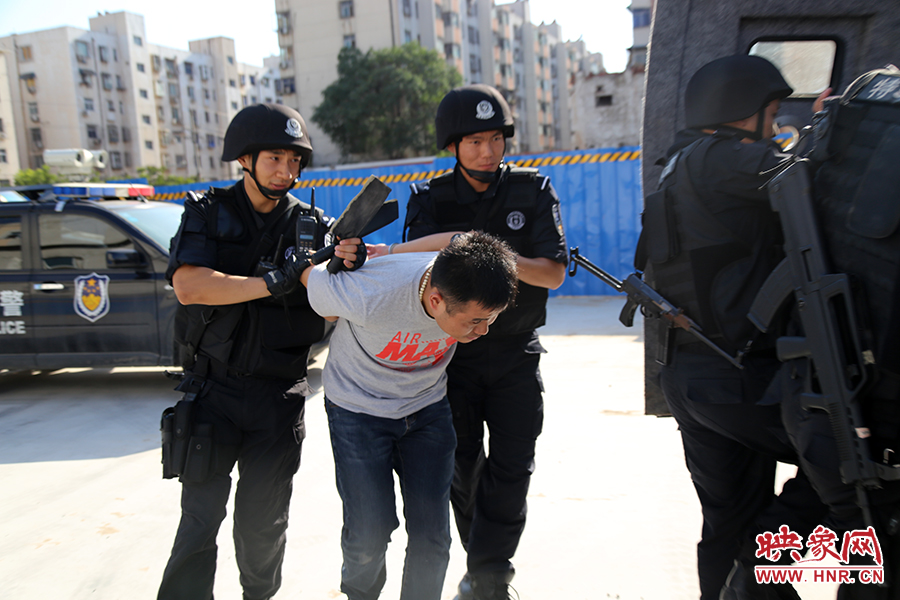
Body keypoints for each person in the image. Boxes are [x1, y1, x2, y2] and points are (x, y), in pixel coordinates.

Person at [636, 55, 827, 600]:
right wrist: (828, 125)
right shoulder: (722, 159)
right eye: (772, 112)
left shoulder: (677, 165)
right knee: (844, 457)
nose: (775, 125)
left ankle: (747, 577)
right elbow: (803, 172)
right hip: (737, 375)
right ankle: (760, 565)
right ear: (744, 112)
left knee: (727, 520)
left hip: (691, 376)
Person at [158, 103, 363, 600]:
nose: (285, 171)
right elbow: (189, 285)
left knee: (263, 525)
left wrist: (346, 265)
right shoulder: (207, 212)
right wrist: (270, 283)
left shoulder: (313, 226)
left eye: (294, 161)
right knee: (199, 521)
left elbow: (333, 310)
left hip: (278, 397)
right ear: (245, 159)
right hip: (212, 392)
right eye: (275, 158)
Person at [402, 83, 568, 600]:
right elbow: (415, 273)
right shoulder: (429, 199)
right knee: (464, 464)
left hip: (517, 352)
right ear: (453, 145)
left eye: (496, 139)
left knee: (514, 465)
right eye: (474, 141)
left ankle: (492, 572)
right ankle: (482, 565)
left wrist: (488, 256)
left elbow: (552, 273)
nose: (488, 151)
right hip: (453, 358)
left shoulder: (532, 191)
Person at [299, 230, 519, 600]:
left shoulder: (463, 276)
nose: (482, 331)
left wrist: (392, 249)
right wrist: (325, 258)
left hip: (426, 409)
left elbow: (464, 237)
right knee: (369, 533)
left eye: (491, 319)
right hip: (358, 410)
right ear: (435, 300)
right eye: (474, 321)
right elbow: (309, 274)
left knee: (433, 537)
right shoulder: (371, 293)